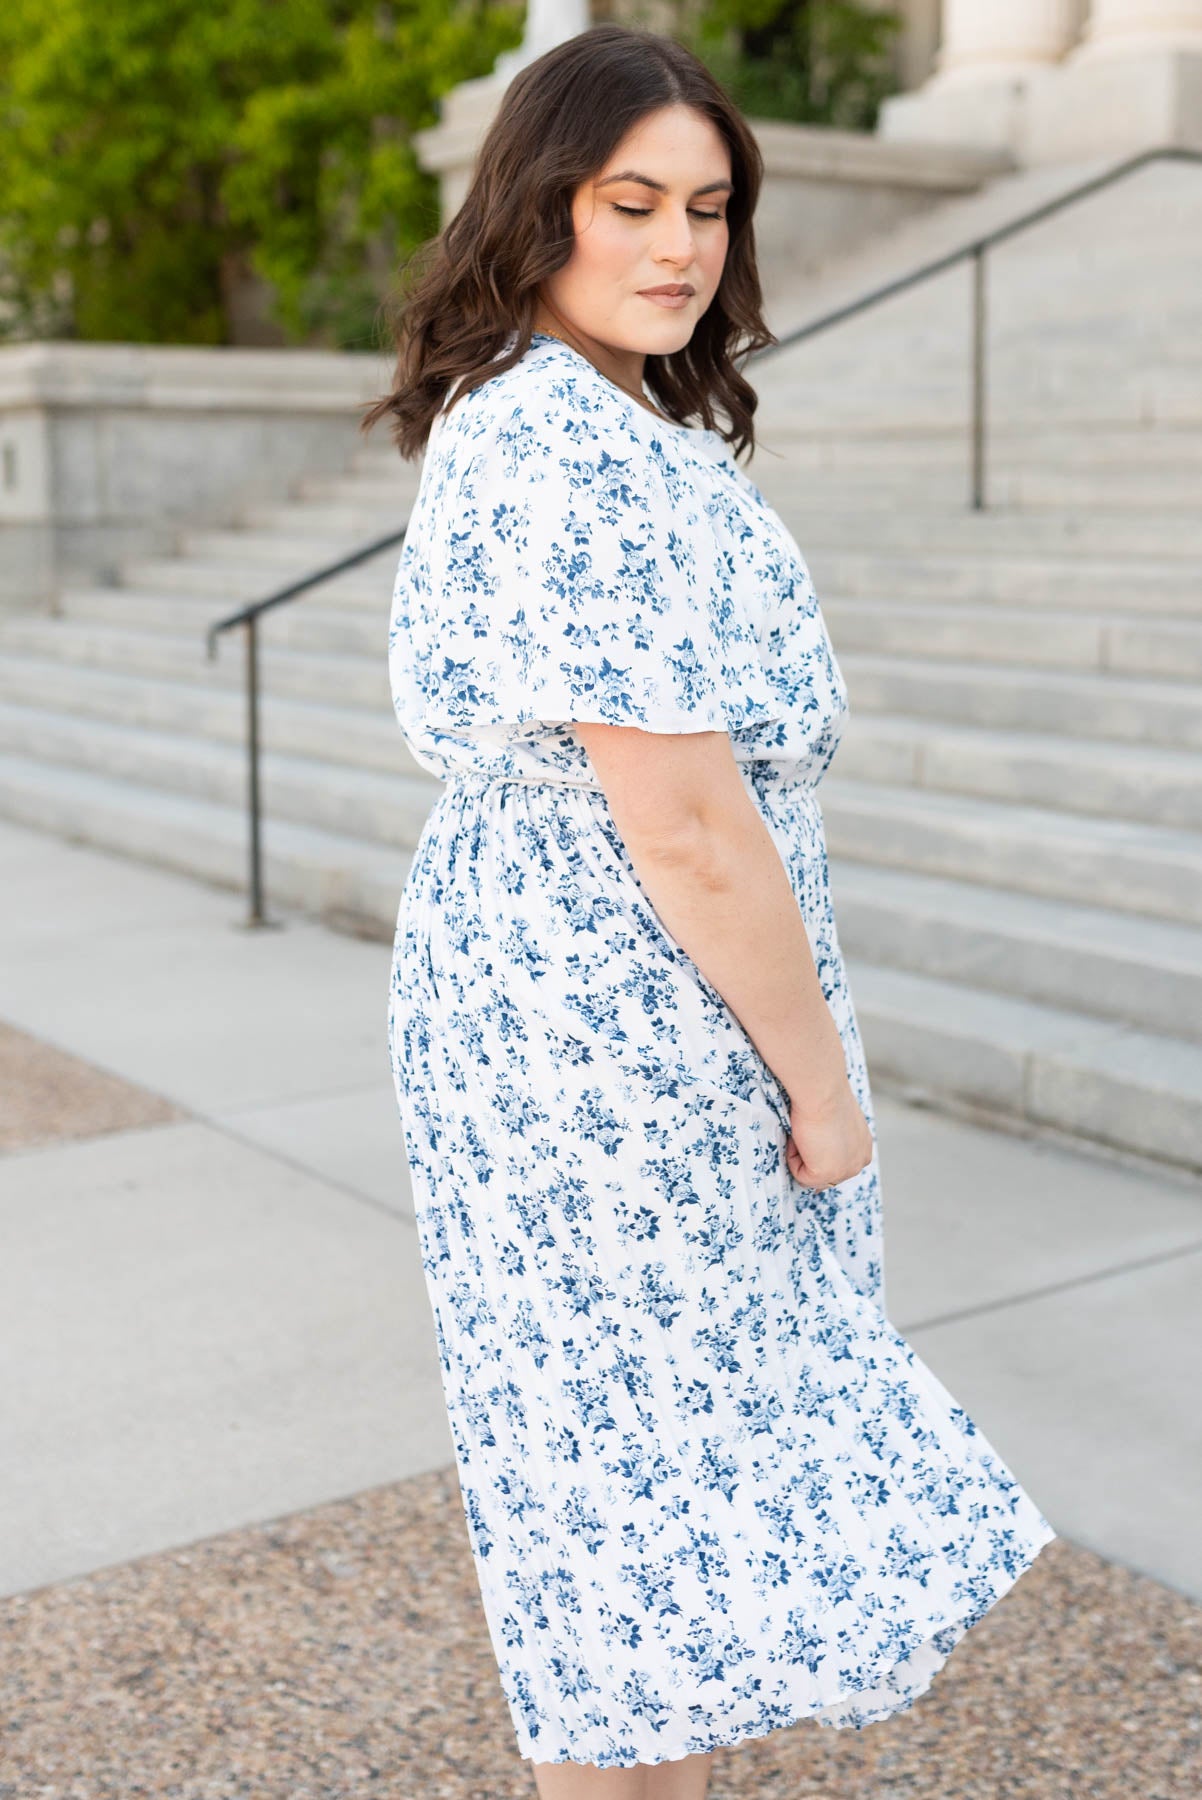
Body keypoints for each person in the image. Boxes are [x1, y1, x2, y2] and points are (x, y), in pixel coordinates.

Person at [365, 22, 1057, 1798]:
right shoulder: (566, 445)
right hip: (614, 1023)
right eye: (629, 203)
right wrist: (821, 1085)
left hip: (583, 1002)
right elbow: (682, 822)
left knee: (635, 1505)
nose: (676, 247)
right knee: (634, 1515)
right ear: (539, 209)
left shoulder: (567, 423)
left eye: (707, 207)